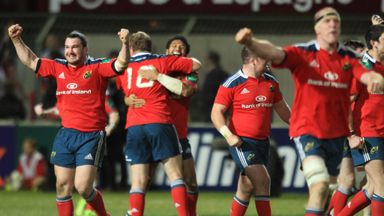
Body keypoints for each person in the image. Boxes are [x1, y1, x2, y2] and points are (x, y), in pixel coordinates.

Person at [235, 7, 384, 216]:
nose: (332, 24)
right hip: (307, 130)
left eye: (336, 21)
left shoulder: (347, 58)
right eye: (327, 21)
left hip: (334, 135)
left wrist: (375, 79)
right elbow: (274, 52)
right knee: (320, 184)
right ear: (317, 28)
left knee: (327, 194)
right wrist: (251, 42)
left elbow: (366, 75)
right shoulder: (304, 53)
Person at [8, 23, 130, 216]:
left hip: (91, 135)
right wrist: (16, 39)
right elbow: (31, 60)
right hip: (66, 134)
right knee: (62, 186)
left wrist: (125, 44)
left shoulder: (97, 67)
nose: (70, 51)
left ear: (85, 49)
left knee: (83, 187)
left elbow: (121, 64)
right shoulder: (58, 67)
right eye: (67, 47)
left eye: (74, 47)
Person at [116, 31, 201, 216]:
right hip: (159, 125)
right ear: (166, 50)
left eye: (182, 47)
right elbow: (128, 92)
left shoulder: (189, 74)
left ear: (186, 52)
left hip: (176, 132)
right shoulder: (162, 62)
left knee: (190, 182)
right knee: (145, 179)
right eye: (174, 46)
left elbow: (186, 91)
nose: (177, 48)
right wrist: (127, 100)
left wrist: (159, 77)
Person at [211, 47, 290, 216]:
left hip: (263, 142)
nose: (270, 62)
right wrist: (228, 135)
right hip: (242, 142)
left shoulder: (271, 82)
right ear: (254, 60)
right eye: (266, 59)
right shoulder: (232, 83)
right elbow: (216, 112)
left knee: (246, 187)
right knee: (263, 180)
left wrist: (300, 126)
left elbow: (282, 108)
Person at [337, 22, 384, 216]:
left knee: (372, 188)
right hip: (367, 132)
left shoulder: (381, 66)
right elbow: (345, 101)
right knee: (381, 184)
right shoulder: (362, 67)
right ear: (374, 43)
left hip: (381, 130)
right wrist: (350, 135)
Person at [195, 50, 228, 122]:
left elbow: (208, 95)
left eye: (206, 59)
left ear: (210, 60)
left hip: (211, 111)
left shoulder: (212, 75)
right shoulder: (224, 74)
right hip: (221, 110)